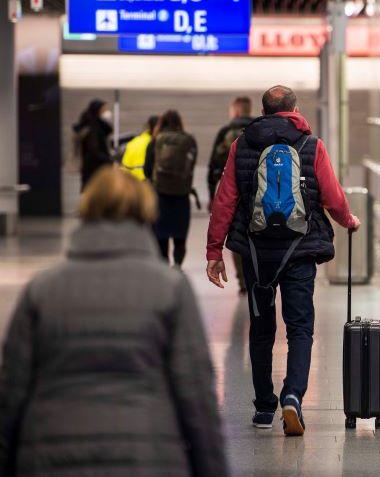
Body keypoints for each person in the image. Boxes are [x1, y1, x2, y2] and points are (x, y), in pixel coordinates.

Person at [0, 166, 228, 477]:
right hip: (148, 457)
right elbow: (197, 397)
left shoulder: (41, 289)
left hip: (50, 457)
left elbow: (10, 394)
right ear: (145, 212)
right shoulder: (171, 289)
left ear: (87, 209)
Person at [206, 85, 359, 436]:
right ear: (295, 109)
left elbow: (225, 200)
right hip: (299, 251)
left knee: (261, 331)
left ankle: (263, 408)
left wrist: (215, 251)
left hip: (256, 254)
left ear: (263, 110)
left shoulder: (241, 144)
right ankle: (293, 396)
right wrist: (348, 220)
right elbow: (333, 196)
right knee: (300, 328)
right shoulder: (311, 145)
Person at [208, 97, 253, 295]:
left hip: (232, 191)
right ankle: (256, 277)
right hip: (257, 192)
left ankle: (243, 281)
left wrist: (211, 193)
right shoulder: (258, 130)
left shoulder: (225, 132)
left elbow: (213, 165)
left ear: (235, 111)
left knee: (237, 234)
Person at [145, 110, 198, 269]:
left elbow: (147, 170)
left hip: (160, 195)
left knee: (161, 236)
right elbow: (191, 166)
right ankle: (178, 265)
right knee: (179, 236)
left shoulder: (155, 141)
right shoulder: (189, 141)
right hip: (181, 195)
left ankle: (164, 267)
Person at [72, 99, 113, 189]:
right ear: (97, 110)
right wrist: (109, 160)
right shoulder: (92, 128)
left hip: (95, 167)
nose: (106, 112)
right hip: (93, 168)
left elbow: (108, 130)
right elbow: (93, 150)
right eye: (104, 110)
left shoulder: (98, 124)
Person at [121, 115, 158, 180]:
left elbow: (125, 167)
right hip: (148, 183)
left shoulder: (133, 142)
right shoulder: (156, 144)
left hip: (133, 182)